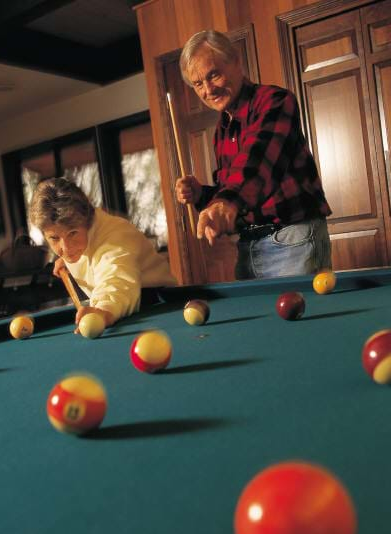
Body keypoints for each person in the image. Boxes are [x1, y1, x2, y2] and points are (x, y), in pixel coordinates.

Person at [175, 30, 332, 280]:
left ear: (236, 61)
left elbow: (258, 166)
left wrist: (225, 202)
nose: (208, 89)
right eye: (198, 83)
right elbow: (238, 193)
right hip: (248, 246)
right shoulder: (222, 129)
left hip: (292, 239)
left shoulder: (275, 101)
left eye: (213, 75)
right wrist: (203, 196)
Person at [29, 177, 176, 331]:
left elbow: (117, 278)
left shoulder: (116, 235)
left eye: (72, 233)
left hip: (159, 306)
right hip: (122, 311)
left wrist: (104, 309)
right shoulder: (79, 241)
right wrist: (66, 260)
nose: (65, 248)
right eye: (54, 238)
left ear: (87, 221)